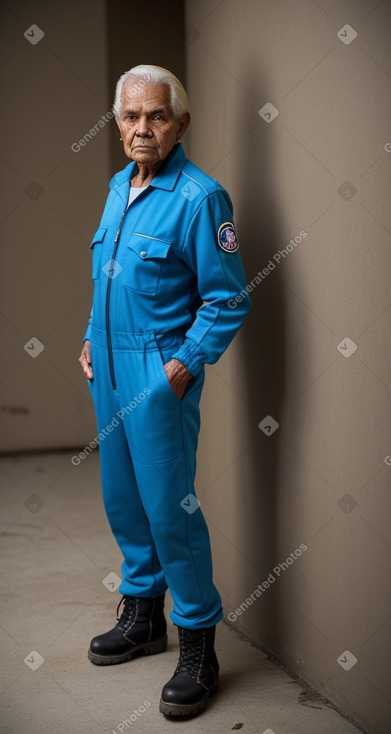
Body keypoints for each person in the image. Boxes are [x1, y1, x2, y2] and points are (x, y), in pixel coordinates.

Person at [79, 64, 251, 718]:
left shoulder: (200, 199)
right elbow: (107, 276)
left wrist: (178, 369)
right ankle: (143, 616)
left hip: (156, 371)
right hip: (110, 369)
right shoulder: (118, 186)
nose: (141, 128)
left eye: (155, 116)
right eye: (129, 116)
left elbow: (227, 297)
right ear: (117, 123)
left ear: (180, 123)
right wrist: (93, 334)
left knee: (168, 510)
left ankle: (198, 644)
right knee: (123, 500)